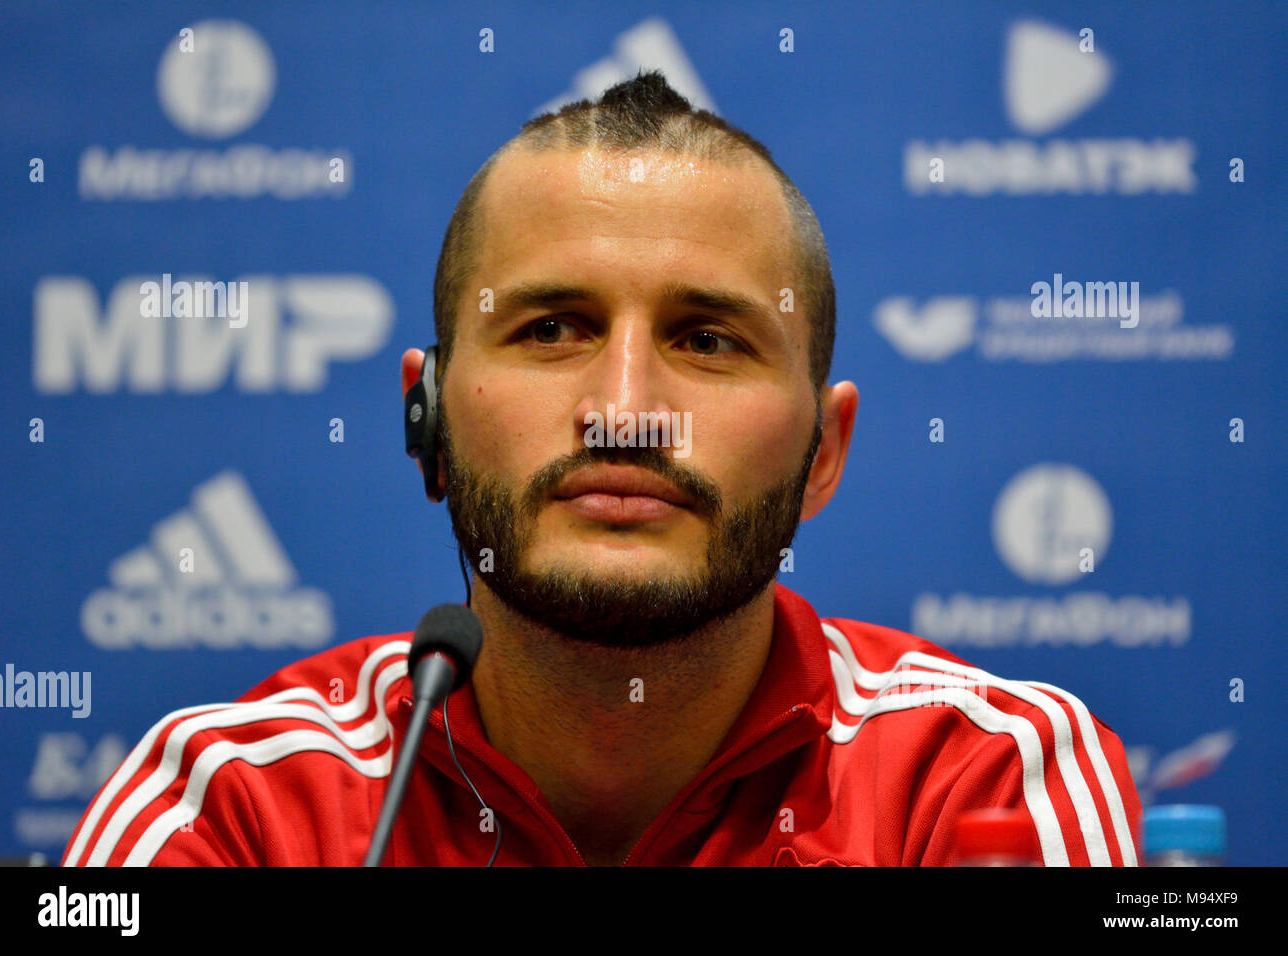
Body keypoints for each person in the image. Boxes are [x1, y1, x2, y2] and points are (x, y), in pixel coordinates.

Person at [64, 70, 1141, 867]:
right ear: (425, 416)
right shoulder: (228, 806)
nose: (623, 412)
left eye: (709, 340)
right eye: (550, 329)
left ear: (823, 452)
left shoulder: (987, 777)